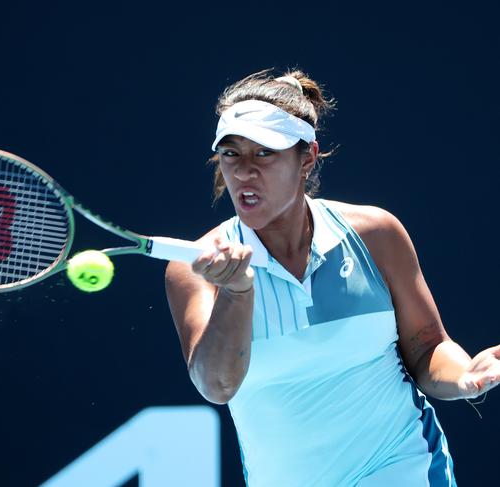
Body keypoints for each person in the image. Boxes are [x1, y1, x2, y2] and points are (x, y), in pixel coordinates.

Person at [164, 69, 499, 486]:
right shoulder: (194, 270)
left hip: (400, 466)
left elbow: (427, 347)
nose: (244, 172)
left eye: (264, 153)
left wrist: (465, 376)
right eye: (231, 154)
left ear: (307, 158)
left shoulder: (376, 234)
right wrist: (237, 291)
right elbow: (216, 385)